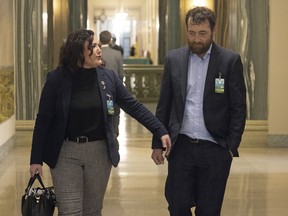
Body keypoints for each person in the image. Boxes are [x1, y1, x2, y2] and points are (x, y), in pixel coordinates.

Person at [29, 29, 171, 216]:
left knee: (92, 211)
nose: (99, 50)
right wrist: (35, 159)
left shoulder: (108, 77)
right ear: (78, 51)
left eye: (98, 45)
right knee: (70, 211)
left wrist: (159, 129)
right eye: (93, 46)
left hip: (99, 152)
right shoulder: (56, 79)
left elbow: (133, 106)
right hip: (65, 152)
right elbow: (43, 120)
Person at [151, 7, 246, 216]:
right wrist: (157, 143)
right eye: (192, 32)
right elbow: (164, 105)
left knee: (209, 210)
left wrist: (230, 146)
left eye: (202, 33)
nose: (197, 39)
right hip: (181, 146)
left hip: (215, 148)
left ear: (214, 30)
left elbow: (238, 108)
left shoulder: (229, 61)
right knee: (177, 205)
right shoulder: (174, 59)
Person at [99, 30, 124, 136]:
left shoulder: (97, 52)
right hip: (113, 90)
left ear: (100, 40)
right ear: (110, 40)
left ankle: (105, 130)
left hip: (100, 90)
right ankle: (114, 131)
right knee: (114, 111)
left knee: (105, 111)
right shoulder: (117, 54)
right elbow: (121, 74)